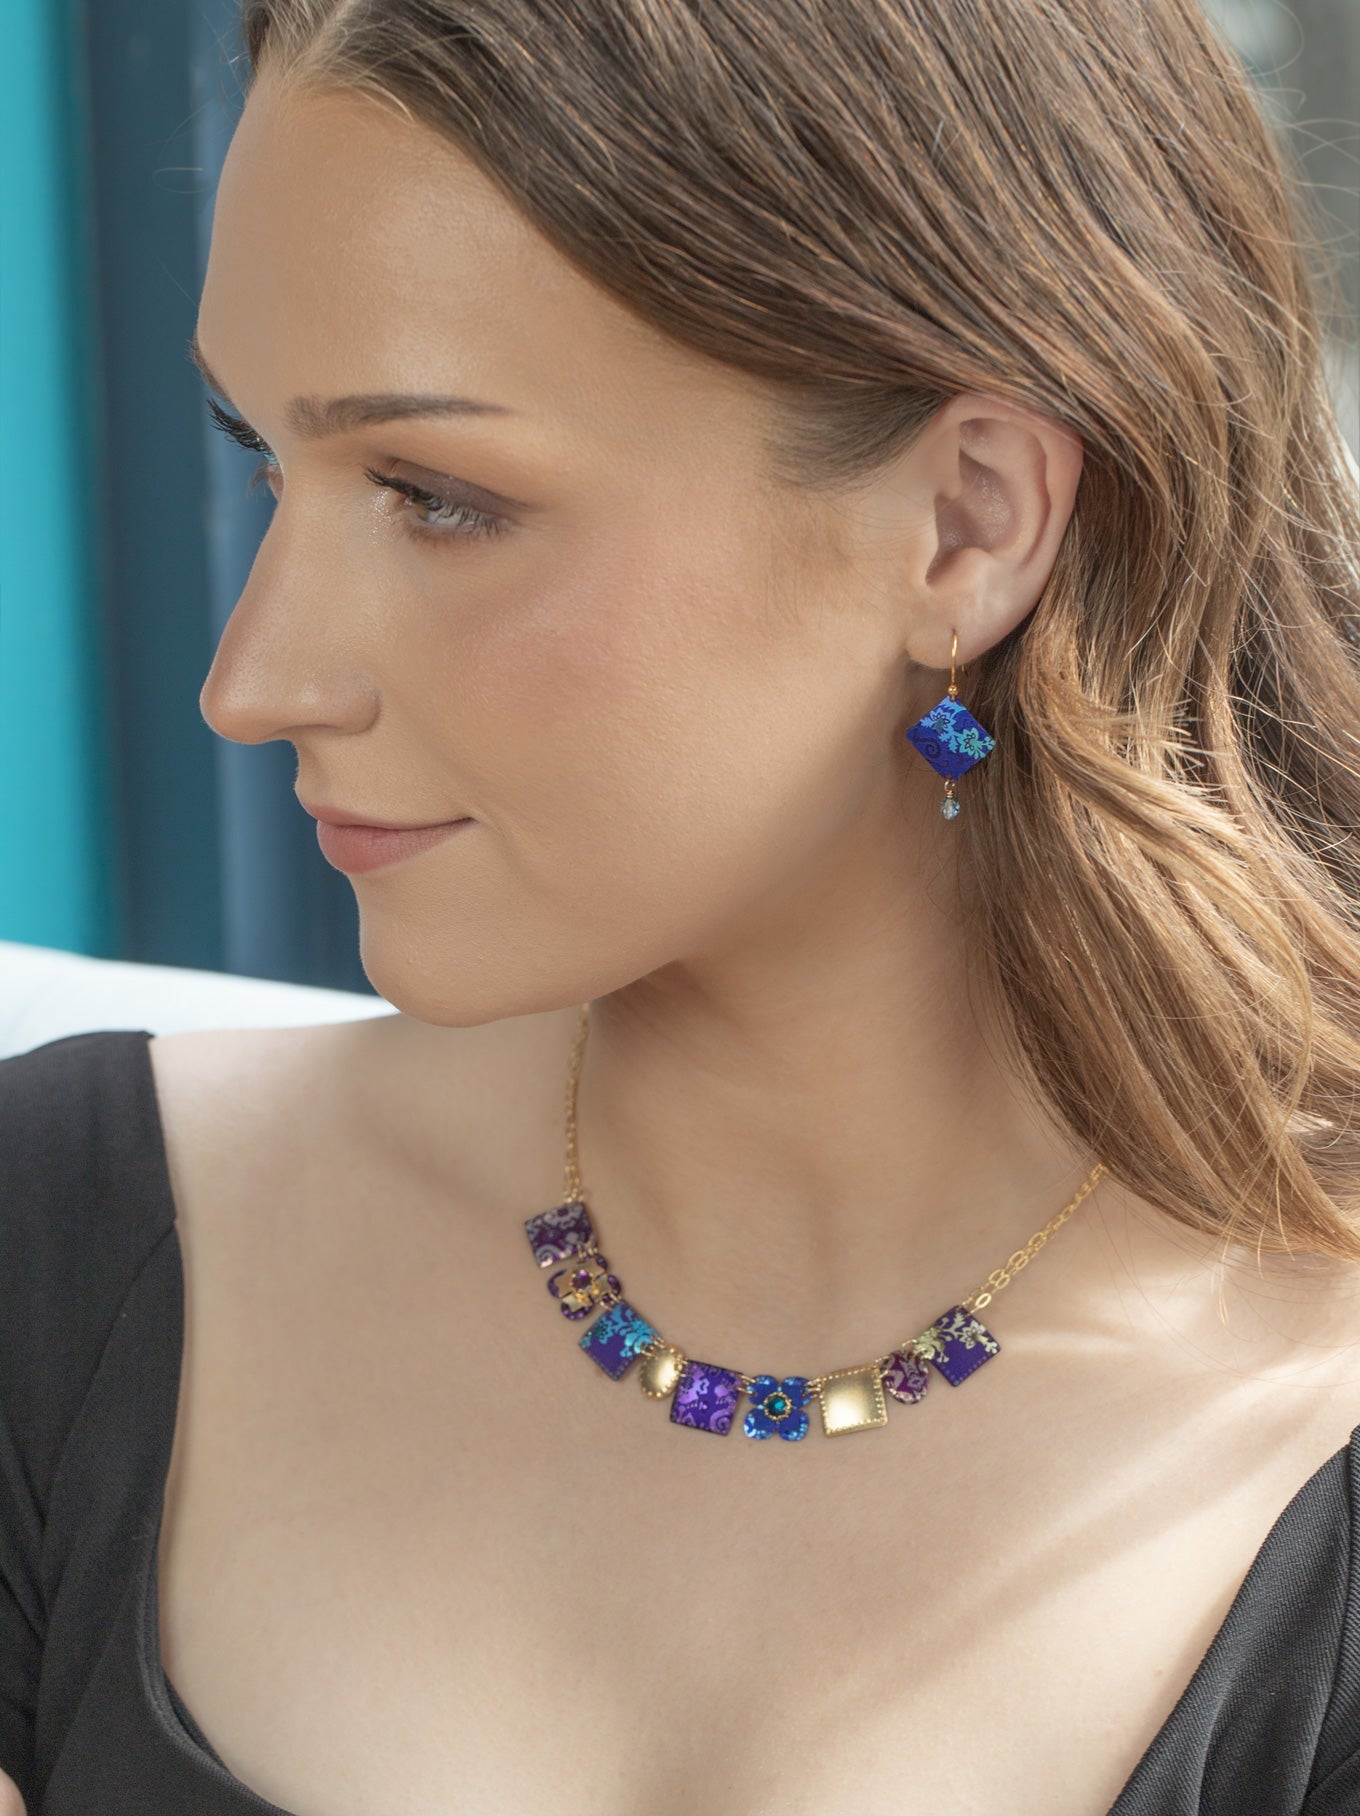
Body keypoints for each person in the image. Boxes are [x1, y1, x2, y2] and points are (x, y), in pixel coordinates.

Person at [4, 0, 1360, 1810]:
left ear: (965, 523)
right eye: (269, 462)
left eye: (437, 496)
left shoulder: (1307, 1469)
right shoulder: (58, 1260)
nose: (255, 680)